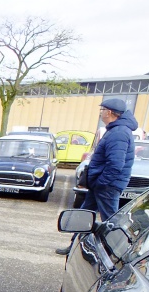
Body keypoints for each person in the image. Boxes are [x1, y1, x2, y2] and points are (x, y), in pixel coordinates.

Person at [56, 98, 137, 255]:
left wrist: (101, 182)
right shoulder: (115, 130)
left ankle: (115, 253)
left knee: (110, 222)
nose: (101, 113)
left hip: (107, 186)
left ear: (110, 113)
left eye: (102, 110)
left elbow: (115, 164)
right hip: (101, 185)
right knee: (84, 215)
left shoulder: (119, 133)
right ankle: (74, 247)